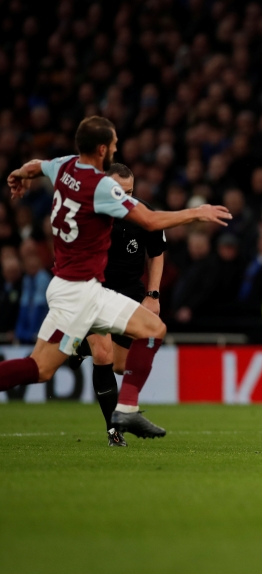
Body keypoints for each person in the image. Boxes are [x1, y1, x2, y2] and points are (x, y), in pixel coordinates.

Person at [0, 117, 231, 444]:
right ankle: (126, 407)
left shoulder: (65, 167)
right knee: (151, 332)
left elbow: (38, 165)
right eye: (115, 143)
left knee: (41, 368)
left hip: (71, 287)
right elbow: (150, 220)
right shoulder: (101, 187)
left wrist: (21, 174)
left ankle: (125, 408)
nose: (117, 148)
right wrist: (197, 212)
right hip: (82, 292)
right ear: (102, 148)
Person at [66, 163, 166, 447]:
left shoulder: (143, 213)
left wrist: (153, 294)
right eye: (117, 193)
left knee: (121, 366)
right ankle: (114, 431)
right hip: (93, 289)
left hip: (129, 291)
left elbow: (156, 253)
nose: (125, 199)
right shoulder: (83, 214)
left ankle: (77, 347)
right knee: (103, 351)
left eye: (130, 192)